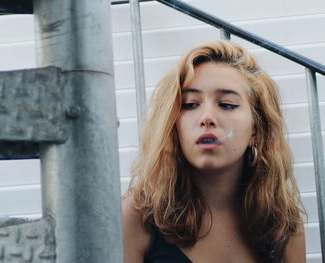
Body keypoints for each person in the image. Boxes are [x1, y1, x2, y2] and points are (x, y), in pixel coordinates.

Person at [122, 40, 305, 263]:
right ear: (173, 124)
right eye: (190, 104)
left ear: (256, 130)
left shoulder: (282, 219)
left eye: (227, 104)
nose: (207, 117)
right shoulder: (136, 217)